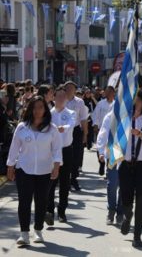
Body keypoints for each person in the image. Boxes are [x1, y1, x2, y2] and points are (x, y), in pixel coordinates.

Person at [6, 96, 62, 245]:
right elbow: (14, 148)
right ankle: (24, 233)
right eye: (35, 107)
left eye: (41, 107)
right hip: (24, 169)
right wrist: (10, 166)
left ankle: (38, 231)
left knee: (41, 201)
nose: (38, 111)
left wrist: (56, 166)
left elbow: (57, 149)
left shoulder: (52, 129)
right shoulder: (22, 127)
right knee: (24, 202)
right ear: (30, 109)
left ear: (45, 109)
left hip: (45, 171)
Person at [118, 90, 142, 248]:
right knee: (126, 197)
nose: (136, 103)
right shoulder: (124, 118)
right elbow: (115, 137)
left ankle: (137, 236)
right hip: (126, 163)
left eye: (139, 100)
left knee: (141, 199)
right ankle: (127, 215)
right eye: (134, 101)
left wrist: (141, 134)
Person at [45, 86, 76, 225]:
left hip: (66, 150)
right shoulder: (49, 114)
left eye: (64, 96)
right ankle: (49, 211)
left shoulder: (71, 113)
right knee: (51, 181)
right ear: (54, 97)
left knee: (65, 182)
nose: (61, 99)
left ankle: (62, 211)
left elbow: (71, 124)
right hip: (51, 152)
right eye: (59, 96)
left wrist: (64, 128)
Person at [97, 111, 123, 226]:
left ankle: (120, 212)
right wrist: (101, 152)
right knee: (112, 184)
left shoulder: (132, 115)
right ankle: (111, 210)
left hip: (127, 154)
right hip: (114, 152)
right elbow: (103, 134)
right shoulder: (110, 116)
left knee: (124, 185)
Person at [65, 81, 89, 191]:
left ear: (75, 90)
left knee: (76, 156)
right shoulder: (61, 100)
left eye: (72, 88)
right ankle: (64, 179)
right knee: (64, 156)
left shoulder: (79, 102)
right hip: (63, 131)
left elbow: (84, 119)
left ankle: (73, 178)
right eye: (68, 88)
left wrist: (85, 134)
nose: (70, 90)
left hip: (75, 131)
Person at [92, 86, 115, 176]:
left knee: (110, 149)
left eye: (110, 92)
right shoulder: (101, 104)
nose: (108, 94)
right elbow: (96, 114)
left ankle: (108, 168)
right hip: (102, 128)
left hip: (112, 130)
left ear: (113, 93)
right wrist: (95, 125)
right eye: (107, 92)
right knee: (100, 146)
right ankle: (102, 163)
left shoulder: (116, 104)